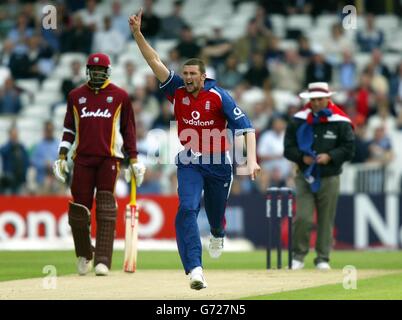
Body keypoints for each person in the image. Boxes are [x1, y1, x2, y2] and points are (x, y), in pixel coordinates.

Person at [129, 9, 261, 290]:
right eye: (185, 73)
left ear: (203, 77)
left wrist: (252, 161)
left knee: (215, 216)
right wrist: (138, 34)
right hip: (189, 161)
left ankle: (217, 232)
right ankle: (195, 270)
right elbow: (154, 60)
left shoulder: (219, 96)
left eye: (192, 74)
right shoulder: (175, 88)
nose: (187, 78)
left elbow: (246, 127)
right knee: (187, 208)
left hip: (218, 163)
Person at [52, 52, 146, 276]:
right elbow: (69, 129)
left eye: (100, 71)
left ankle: (103, 260)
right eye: (92, 70)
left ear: (107, 72)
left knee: (105, 207)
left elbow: (129, 130)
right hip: (82, 159)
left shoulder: (120, 96)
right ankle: (84, 255)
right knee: (78, 211)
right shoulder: (75, 96)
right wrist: (62, 156)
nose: (95, 74)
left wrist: (133, 160)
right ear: (87, 71)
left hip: (109, 158)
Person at [284, 82, 355, 270]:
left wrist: (330, 156)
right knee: (303, 217)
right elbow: (288, 148)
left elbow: (349, 149)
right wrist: (302, 158)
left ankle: (323, 258)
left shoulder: (340, 121)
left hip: (329, 176)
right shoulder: (298, 120)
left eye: (319, 99)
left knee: (326, 219)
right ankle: (298, 256)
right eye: (312, 99)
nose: (315, 103)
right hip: (304, 175)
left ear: (328, 99)